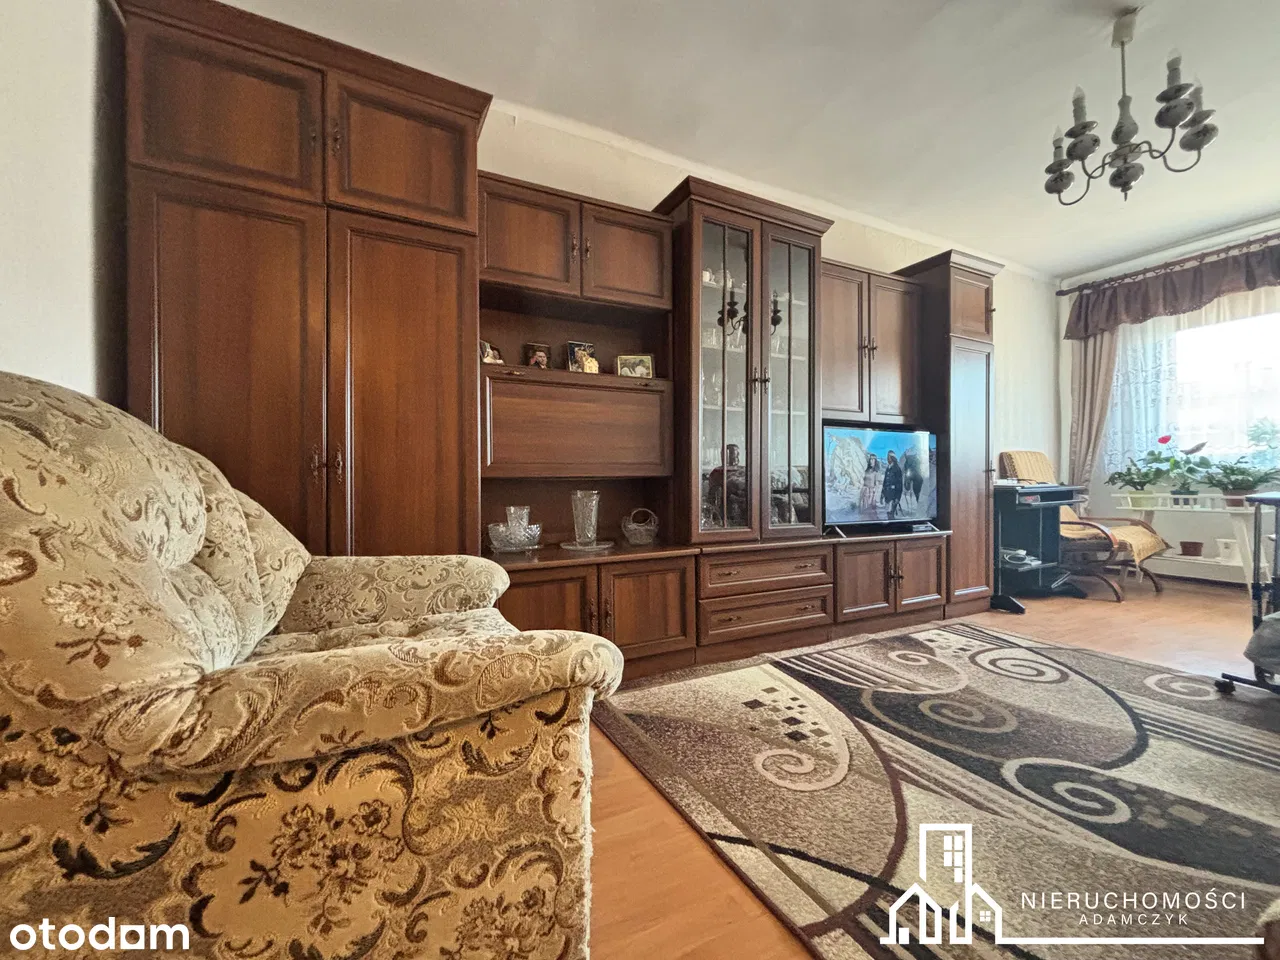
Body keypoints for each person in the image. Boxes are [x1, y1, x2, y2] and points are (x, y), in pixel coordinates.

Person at [881, 451, 904, 519]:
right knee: (888, 514)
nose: (887, 458)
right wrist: (882, 494)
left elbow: (899, 485)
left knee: (891, 515)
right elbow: (885, 483)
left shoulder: (897, 469)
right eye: (887, 457)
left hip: (893, 496)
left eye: (888, 457)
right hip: (887, 496)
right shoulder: (887, 468)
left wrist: (897, 498)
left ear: (892, 458)